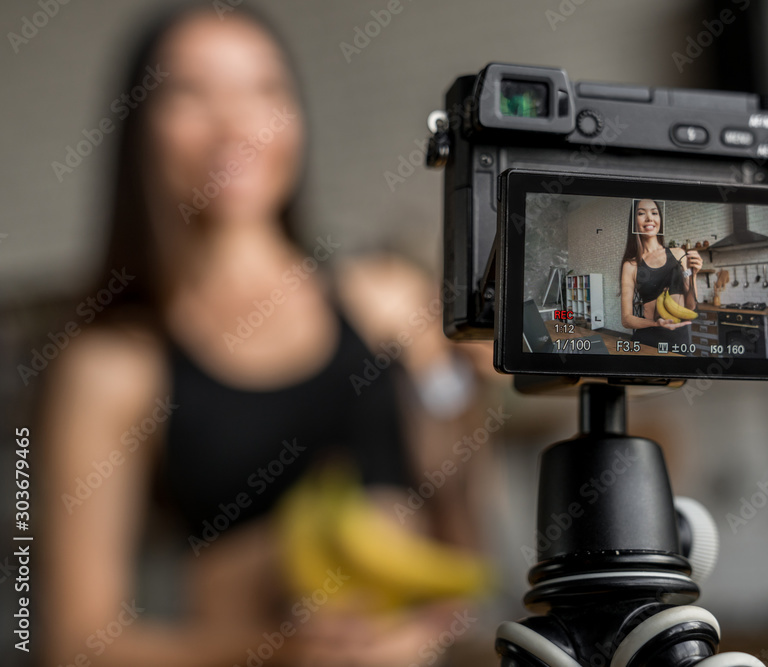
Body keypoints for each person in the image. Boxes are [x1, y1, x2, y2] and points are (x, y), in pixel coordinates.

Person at [37, 5, 492, 666]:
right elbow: (73, 644)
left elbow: (462, 519)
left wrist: (468, 386)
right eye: (191, 93)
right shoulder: (110, 364)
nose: (235, 125)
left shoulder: (386, 299)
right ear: (139, 128)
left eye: (263, 90)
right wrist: (276, 649)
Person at [619, 198, 703, 354]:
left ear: (659, 219)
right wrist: (656, 324)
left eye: (654, 213)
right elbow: (626, 319)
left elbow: (691, 307)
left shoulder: (679, 254)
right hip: (647, 340)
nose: (649, 218)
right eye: (641, 213)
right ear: (634, 222)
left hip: (680, 340)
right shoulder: (631, 265)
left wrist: (693, 275)